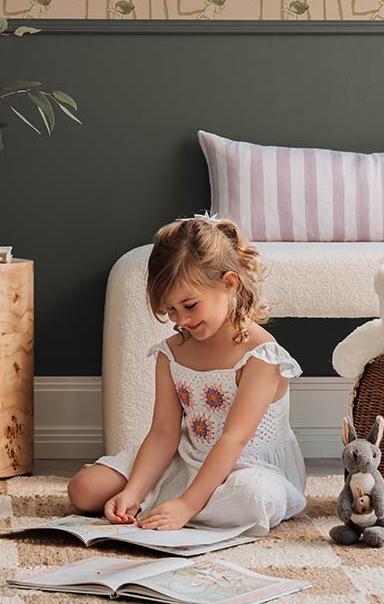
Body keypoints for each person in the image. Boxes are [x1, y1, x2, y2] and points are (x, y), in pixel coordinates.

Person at [68, 214, 307, 537]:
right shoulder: (172, 352)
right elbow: (164, 434)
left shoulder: (260, 353)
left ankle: (182, 507)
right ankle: (170, 504)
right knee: (85, 489)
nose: (181, 319)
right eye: (170, 310)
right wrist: (134, 492)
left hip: (246, 465)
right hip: (186, 456)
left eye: (190, 305)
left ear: (229, 283)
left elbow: (233, 439)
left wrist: (188, 504)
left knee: (253, 499)